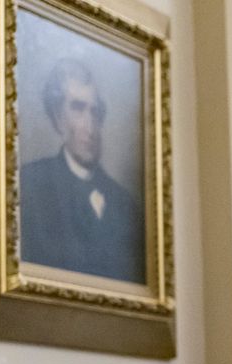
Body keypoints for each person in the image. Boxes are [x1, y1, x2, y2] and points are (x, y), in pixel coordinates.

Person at [20, 58, 145, 283]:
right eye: (78, 109)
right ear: (58, 118)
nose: (90, 126)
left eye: (95, 112)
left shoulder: (126, 204)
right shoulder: (29, 186)